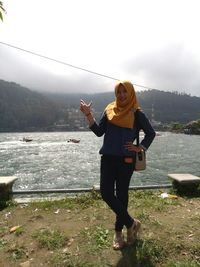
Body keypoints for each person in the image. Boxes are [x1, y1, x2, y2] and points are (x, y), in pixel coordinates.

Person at [80, 80, 155, 250]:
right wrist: (88, 115)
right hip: (107, 158)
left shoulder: (137, 113)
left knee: (121, 196)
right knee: (106, 193)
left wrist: (139, 148)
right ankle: (132, 223)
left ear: (130, 93)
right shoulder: (109, 110)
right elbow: (99, 132)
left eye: (124, 92)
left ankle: (118, 233)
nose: (121, 95)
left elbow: (151, 133)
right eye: (118, 92)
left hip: (126, 161)